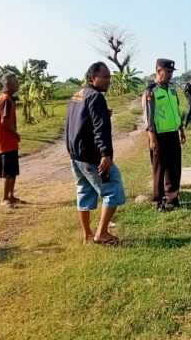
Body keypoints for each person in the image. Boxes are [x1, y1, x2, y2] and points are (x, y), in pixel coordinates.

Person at [66, 62, 126, 245]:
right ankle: (102, 233)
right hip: (92, 155)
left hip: (76, 155)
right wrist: (105, 154)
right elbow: (100, 129)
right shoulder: (95, 97)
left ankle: (87, 235)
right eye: (105, 77)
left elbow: (78, 121)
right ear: (93, 78)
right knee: (114, 189)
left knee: (84, 191)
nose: (109, 80)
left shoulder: (77, 95)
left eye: (109, 77)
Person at [142, 58, 186, 211]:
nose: (169, 75)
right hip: (159, 136)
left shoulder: (173, 89)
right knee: (160, 169)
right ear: (158, 71)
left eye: (171, 72)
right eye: (166, 72)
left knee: (174, 168)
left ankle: (172, 197)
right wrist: (152, 138)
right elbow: (148, 118)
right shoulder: (151, 91)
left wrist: (181, 130)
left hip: (173, 133)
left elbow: (176, 111)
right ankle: (159, 201)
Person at [0, 72, 23, 208]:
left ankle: (11, 196)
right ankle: (5, 198)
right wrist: (16, 134)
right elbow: (4, 121)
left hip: (9, 143)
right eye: (16, 82)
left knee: (12, 171)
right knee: (8, 173)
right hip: (6, 142)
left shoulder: (7, 98)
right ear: (8, 84)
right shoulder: (5, 99)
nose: (18, 84)